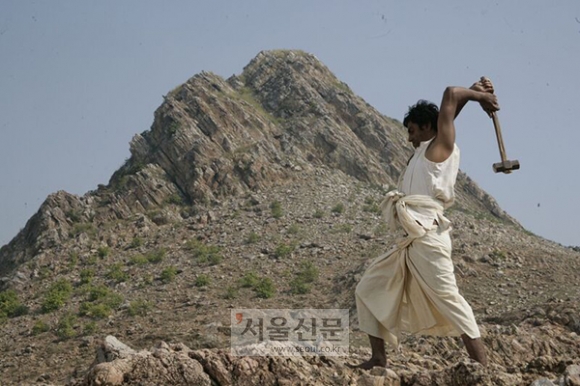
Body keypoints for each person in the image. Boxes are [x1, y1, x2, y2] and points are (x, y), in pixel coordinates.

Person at [351, 78, 499, 369]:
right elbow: (447, 111)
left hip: (429, 237)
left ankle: (482, 365)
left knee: (450, 300)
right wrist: (475, 93)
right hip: (409, 241)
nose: (409, 138)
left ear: (428, 129)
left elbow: (449, 95)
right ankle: (378, 359)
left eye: (412, 131)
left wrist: (476, 98)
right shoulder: (425, 150)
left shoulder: (439, 150)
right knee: (367, 289)